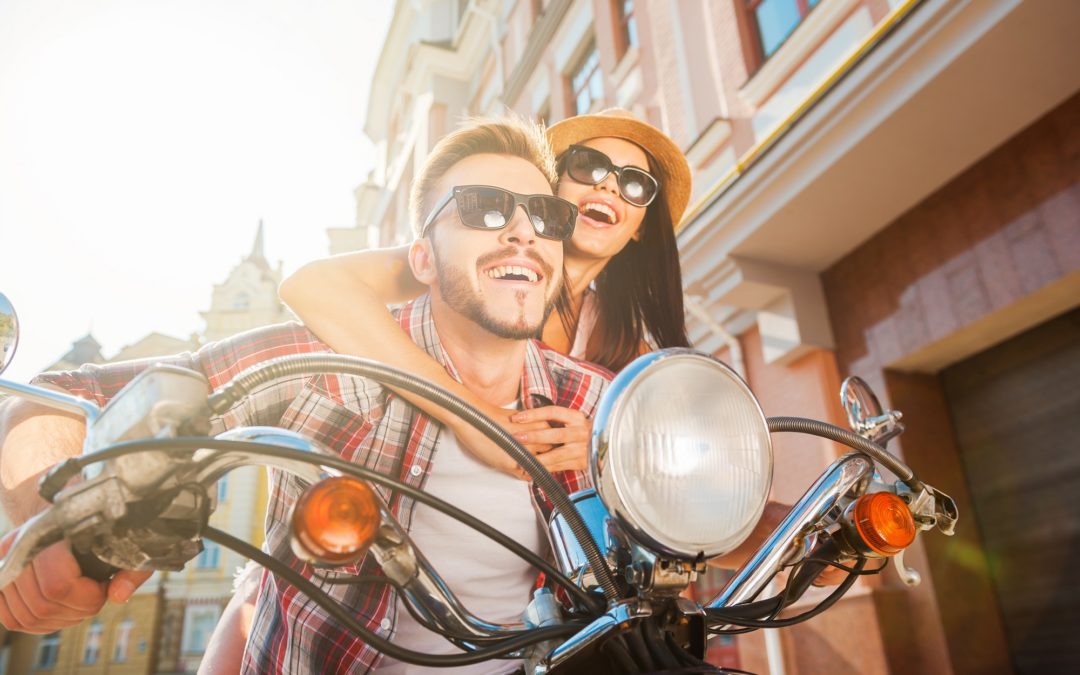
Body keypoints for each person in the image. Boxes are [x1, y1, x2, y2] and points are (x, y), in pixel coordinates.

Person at [0, 116, 610, 673]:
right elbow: (62, 395)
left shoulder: (599, 401)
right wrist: (59, 518)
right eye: (483, 209)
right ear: (420, 259)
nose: (525, 230)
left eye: (545, 216)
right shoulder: (329, 364)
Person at [278, 109, 692, 478]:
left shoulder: (625, 349)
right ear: (553, 191)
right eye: (589, 167)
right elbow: (310, 286)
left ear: (640, 226)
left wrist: (604, 449)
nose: (609, 189)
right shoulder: (465, 263)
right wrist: (475, 419)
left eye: (636, 184)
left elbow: (675, 474)